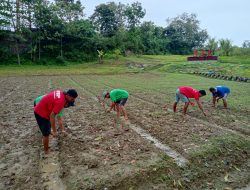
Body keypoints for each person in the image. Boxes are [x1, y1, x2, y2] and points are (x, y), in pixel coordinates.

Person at [34, 89, 78, 154]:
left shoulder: (61, 93)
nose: (73, 100)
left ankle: (49, 132)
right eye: (72, 99)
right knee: (46, 135)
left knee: (48, 125)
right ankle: (46, 151)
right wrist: (54, 131)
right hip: (41, 113)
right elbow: (52, 116)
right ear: (68, 95)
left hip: (42, 109)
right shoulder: (61, 102)